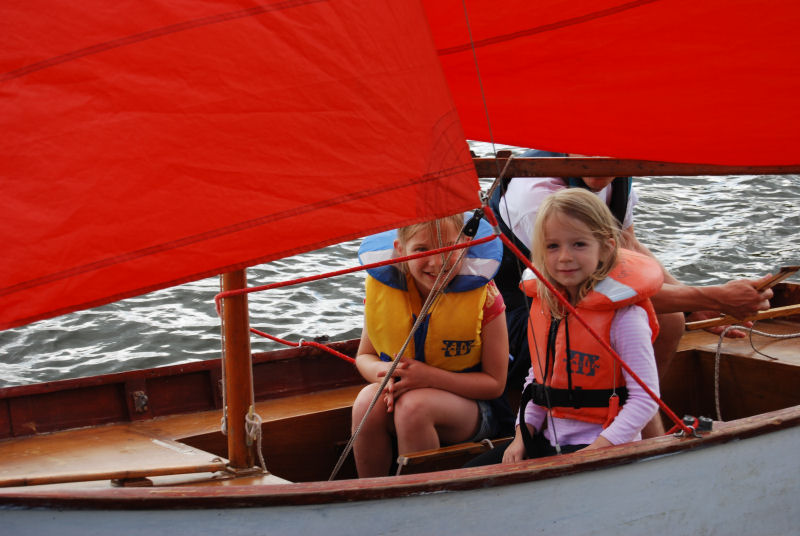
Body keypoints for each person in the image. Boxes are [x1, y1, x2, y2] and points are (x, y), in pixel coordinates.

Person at [489, 150, 773, 435]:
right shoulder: (535, 196)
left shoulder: (618, 179)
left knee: (671, 319)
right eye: (589, 146)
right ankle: (615, 433)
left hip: (578, 296)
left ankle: (633, 429)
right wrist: (711, 296)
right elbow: (590, 286)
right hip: (516, 317)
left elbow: (630, 250)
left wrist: (692, 301)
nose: (601, 159)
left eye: (612, 148)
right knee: (623, 327)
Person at [468, 188, 661, 466]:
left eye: (579, 244)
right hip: (549, 441)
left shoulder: (625, 318)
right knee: (473, 471)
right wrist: (523, 434)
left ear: (605, 247)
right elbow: (538, 380)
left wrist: (598, 449)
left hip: (605, 447)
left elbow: (645, 399)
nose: (565, 257)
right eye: (552, 246)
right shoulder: (548, 307)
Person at [351, 213, 514, 477]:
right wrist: (386, 373)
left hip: (474, 409)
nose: (436, 262)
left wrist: (427, 378)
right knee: (365, 402)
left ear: (465, 245)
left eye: (448, 248)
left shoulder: (486, 296)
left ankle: (421, 503)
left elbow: (495, 384)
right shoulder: (385, 288)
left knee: (414, 407)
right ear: (400, 250)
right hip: (402, 394)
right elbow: (365, 357)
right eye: (421, 249)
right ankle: (372, 495)